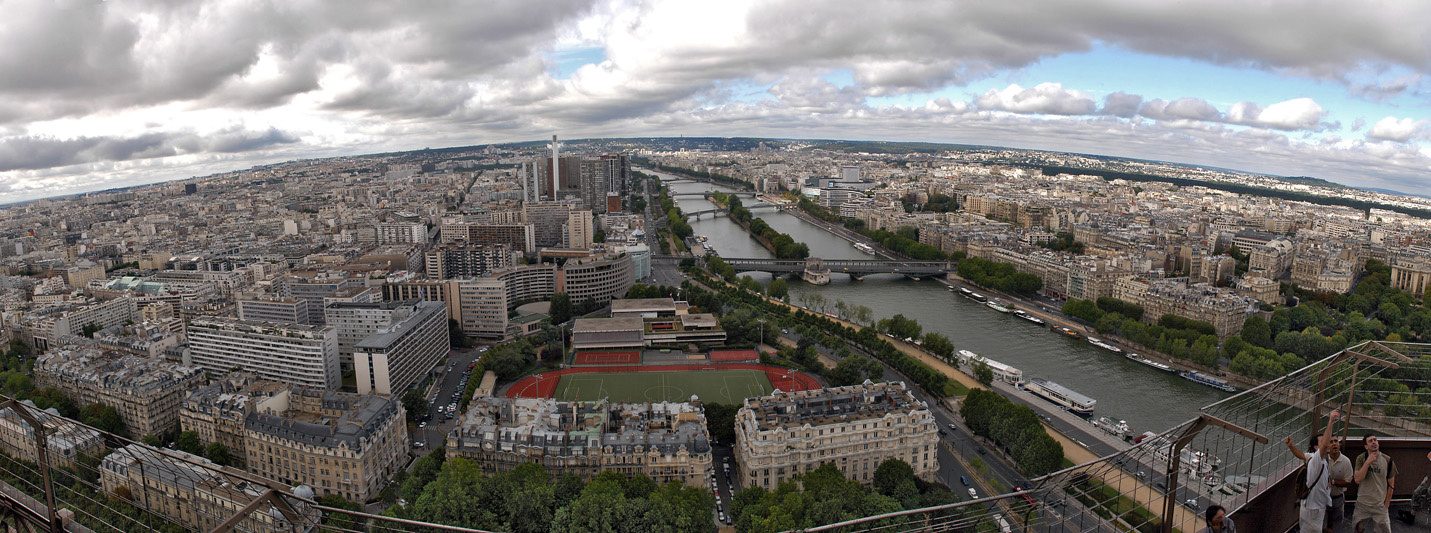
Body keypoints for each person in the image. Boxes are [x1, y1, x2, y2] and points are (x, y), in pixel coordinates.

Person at [1286, 434, 1354, 532]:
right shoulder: (1315, 459)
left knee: (1334, 525)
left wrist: (1333, 481)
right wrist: (1291, 446)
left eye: (1336, 441)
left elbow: (1348, 481)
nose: (1333, 444)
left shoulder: (1345, 461)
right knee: (1322, 526)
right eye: (1329, 442)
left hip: (1336, 498)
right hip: (1321, 501)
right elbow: (1300, 455)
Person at [1299, 409, 1340, 533]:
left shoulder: (1323, 460)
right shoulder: (1316, 459)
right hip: (1313, 509)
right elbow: (1324, 446)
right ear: (1316, 447)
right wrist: (1331, 422)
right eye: (1323, 442)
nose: (1327, 444)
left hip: (1317, 507)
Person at [1351, 435, 1397, 533]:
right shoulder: (1361, 458)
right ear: (1366, 447)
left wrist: (1386, 505)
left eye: (1375, 440)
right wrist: (1367, 463)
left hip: (1379, 505)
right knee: (1358, 529)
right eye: (1370, 441)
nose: (1374, 442)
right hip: (1362, 504)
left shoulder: (1388, 460)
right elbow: (1358, 479)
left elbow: (1391, 485)